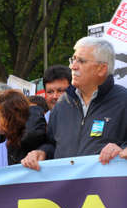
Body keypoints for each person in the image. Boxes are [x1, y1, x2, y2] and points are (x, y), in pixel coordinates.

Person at [22, 37, 127, 170]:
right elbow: (51, 144)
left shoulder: (123, 101)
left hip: (105, 189)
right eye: (73, 59)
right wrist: (41, 152)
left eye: (81, 61)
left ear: (101, 69)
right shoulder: (63, 104)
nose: (73, 66)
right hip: (67, 189)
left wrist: (121, 149)